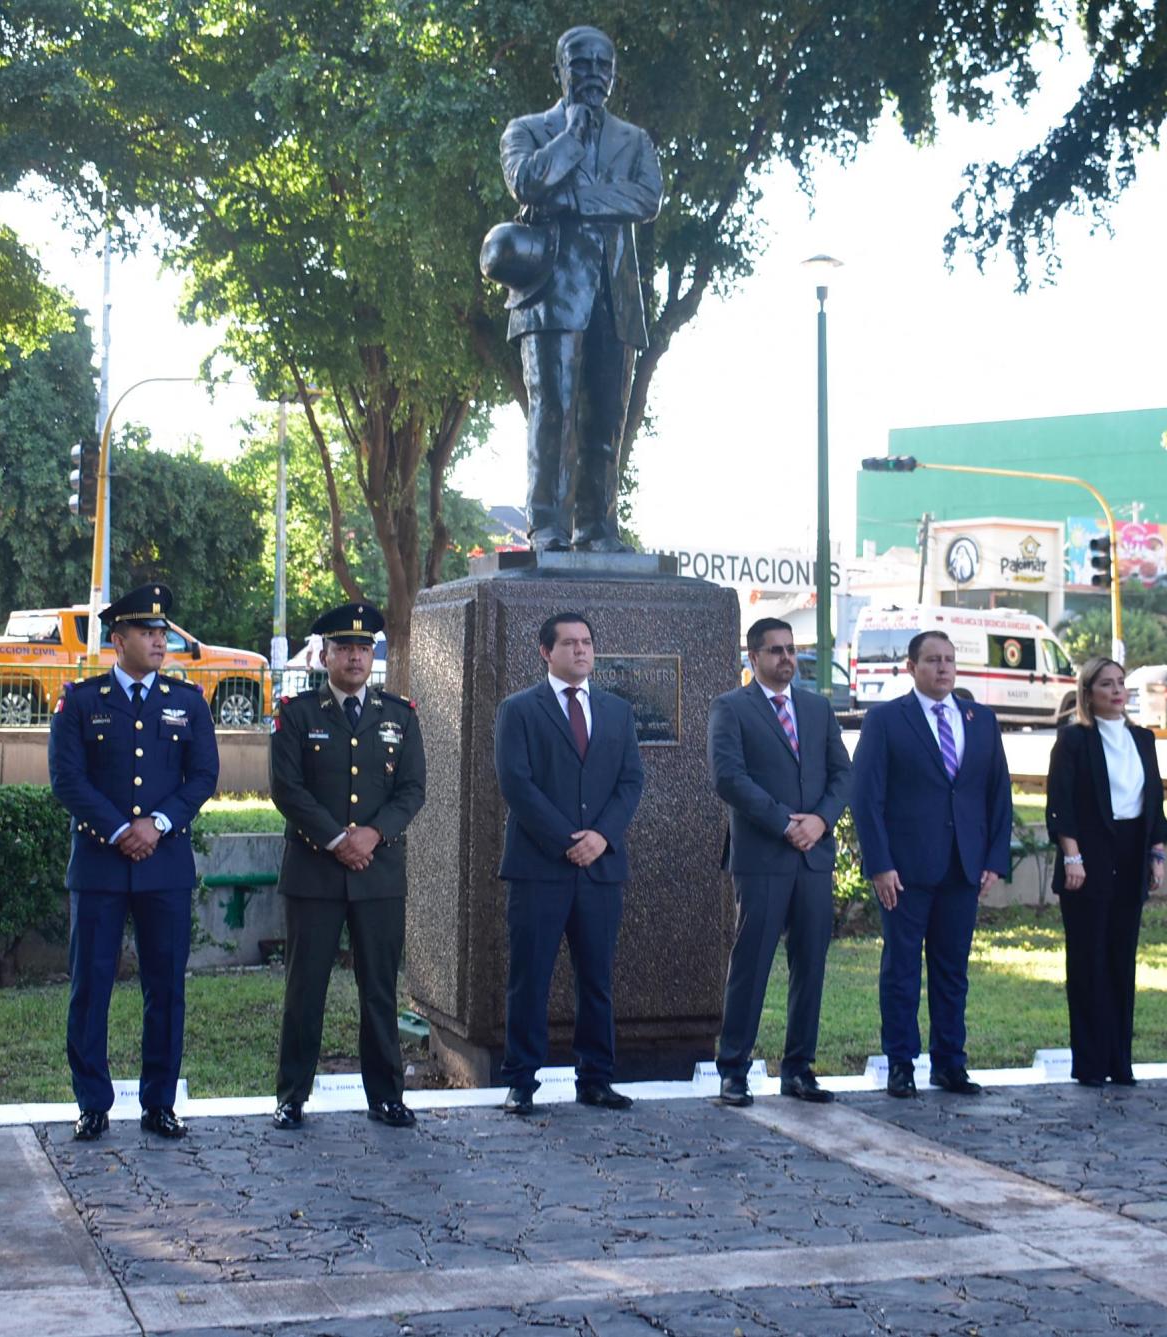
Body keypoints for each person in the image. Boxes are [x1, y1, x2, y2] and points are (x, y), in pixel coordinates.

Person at [49, 584, 220, 1141]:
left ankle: (159, 1103)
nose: (159, 642)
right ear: (118, 640)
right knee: (90, 987)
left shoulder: (188, 701)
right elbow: (67, 779)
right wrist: (122, 829)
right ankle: (92, 1103)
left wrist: (158, 824)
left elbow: (203, 776)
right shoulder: (81, 701)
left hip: (164, 868)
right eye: (147, 633)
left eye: (162, 633)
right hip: (100, 866)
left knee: (165, 988)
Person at [496, 26, 663, 552]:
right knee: (553, 411)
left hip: (616, 295)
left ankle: (597, 527)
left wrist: (572, 200)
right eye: (581, 64)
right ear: (559, 71)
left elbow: (647, 199)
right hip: (550, 293)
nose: (593, 74)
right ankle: (547, 524)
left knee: (607, 420)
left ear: (613, 75)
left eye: (602, 66)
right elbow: (527, 182)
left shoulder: (634, 140)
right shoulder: (527, 131)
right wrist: (570, 139)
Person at [268, 602, 426, 1131]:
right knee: (304, 988)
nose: (355, 657)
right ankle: (292, 1095)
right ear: (324, 655)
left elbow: (412, 790)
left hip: (378, 873)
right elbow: (287, 788)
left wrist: (371, 835)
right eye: (344, 648)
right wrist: (338, 839)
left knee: (379, 990)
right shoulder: (297, 714)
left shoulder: (400, 715)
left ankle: (386, 1096)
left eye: (363, 648)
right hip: (314, 873)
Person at [493, 611, 645, 1114]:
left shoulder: (617, 711)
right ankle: (521, 1080)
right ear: (546, 652)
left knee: (597, 979)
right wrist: (566, 841)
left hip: (600, 868)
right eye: (570, 643)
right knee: (530, 978)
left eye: (587, 642)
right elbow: (516, 783)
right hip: (539, 867)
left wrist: (601, 836)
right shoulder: (519, 709)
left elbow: (630, 781)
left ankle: (596, 1078)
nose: (581, 650)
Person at [850, 630, 1012, 1098]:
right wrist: (879, 864)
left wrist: (994, 858)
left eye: (949, 660)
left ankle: (950, 1063)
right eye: (933, 660)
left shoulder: (980, 720)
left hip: (964, 867)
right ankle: (901, 1063)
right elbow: (866, 797)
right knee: (902, 971)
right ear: (912, 667)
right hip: (904, 871)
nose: (943, 668)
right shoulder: (886, 720)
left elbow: (998, 793)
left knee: (952, 971)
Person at [707, 617, 852, 1106]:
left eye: (790, 649)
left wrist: (821, 821)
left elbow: (843, 774)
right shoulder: (731, 708)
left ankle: (799, 1069)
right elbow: (729, 778)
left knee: (810, 966)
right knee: (752, 966)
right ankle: (733, 1070)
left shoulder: (817, 708)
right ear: (753, 658)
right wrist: (785, 823)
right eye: (776, 650)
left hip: (813, 858)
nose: (787, 658)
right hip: (763, 856)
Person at [1044, 657, 1167, 1086]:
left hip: (1132, 851)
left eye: (1120, 683)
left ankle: (1119, 1060)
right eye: (1106, 684)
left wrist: (1156, 853)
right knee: (1088, 959)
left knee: (1121, 957)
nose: (1117, 691)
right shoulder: (1074, 740)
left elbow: (1154, 800)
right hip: (1088, 853)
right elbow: (1060, 802)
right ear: (1088, 692)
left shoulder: (1143, 738)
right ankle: (1091, 1064)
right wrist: (1072, 856)